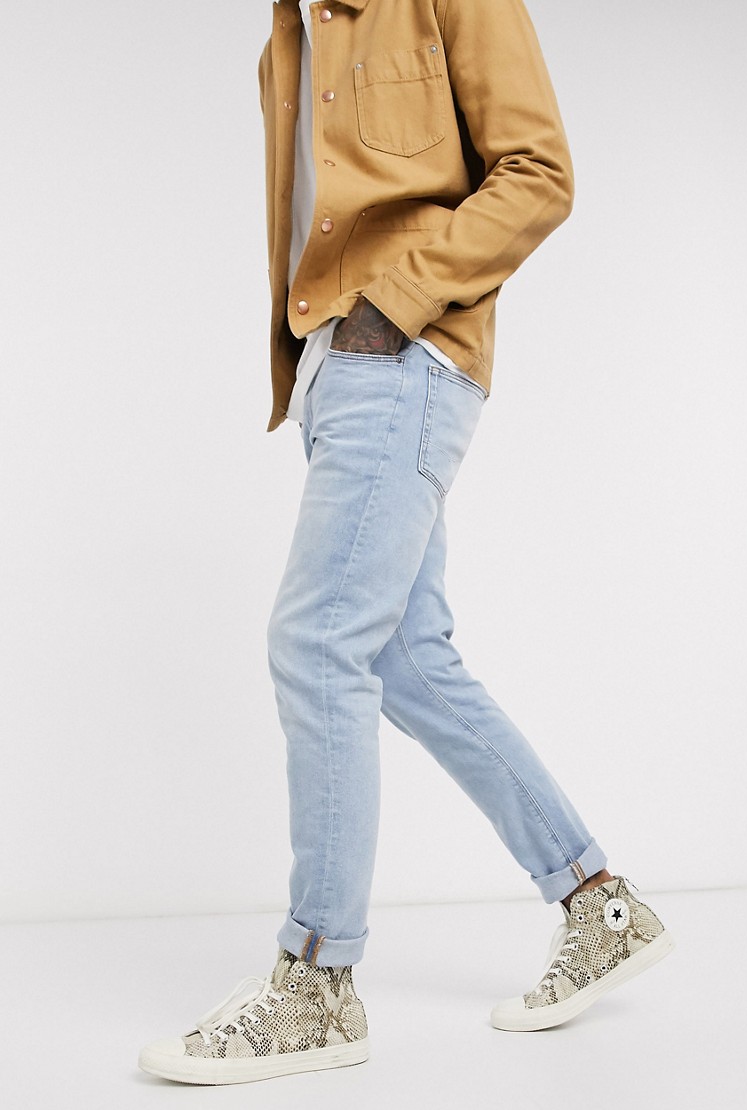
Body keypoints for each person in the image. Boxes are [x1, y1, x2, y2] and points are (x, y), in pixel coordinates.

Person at [138, 0, 674, 1085]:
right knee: (404, 658)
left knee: (317, 644)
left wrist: (394, 306)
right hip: (338, 368)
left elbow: (539, 171)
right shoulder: (287, 39)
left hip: (404, 356)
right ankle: (598, 905)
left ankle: (317, 983)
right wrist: (328, 348)